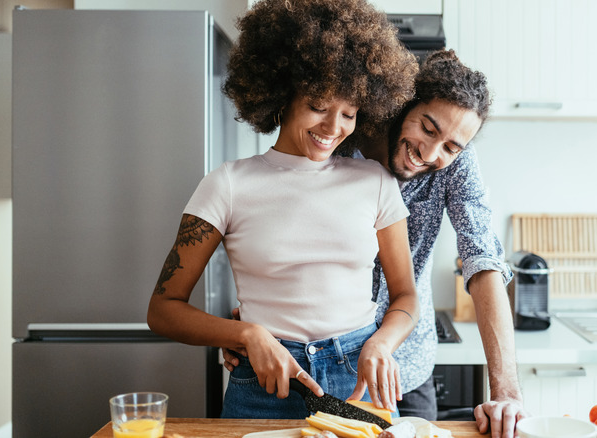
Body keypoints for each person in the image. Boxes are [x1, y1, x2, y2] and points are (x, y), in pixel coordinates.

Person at [225, 49, 528, 437]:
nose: (432, 153)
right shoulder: (335, 141)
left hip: (403, 369)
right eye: (428, 128)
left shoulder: (457, 163)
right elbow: (277, 231)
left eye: (451, 147)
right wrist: (253, 325)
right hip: (318, 369)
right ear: (404, 105)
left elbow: (483, 259)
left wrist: (507, 393)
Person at [147, 0, 420, 419]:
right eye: (318, 105)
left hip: (358, 381)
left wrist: (382, 343)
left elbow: (404, 297)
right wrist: (246, 335)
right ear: (281, 93)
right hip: (264, 382)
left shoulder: (375, 182)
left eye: (348, 113)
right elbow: (163, 310)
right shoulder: (227, 184)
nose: (333, 128)